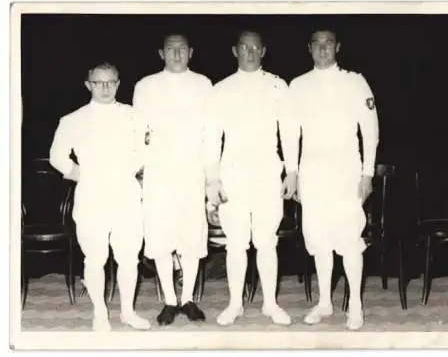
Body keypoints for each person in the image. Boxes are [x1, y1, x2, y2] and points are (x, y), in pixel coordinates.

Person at [203, 31, 299, 326]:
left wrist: (292, 171)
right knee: (236, 244)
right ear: (235, 51)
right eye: (244, 47)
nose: (250, 52)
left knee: (266, 242)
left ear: (263, 51)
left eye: (255, 47)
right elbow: (211, 138)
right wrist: (212, 179)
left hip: (267, 174)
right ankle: (235, 304)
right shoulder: (221, 89)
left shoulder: (277, 86)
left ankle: (270, 303)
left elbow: (290, 131)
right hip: (233, 176)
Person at [49, 62, 150, 331]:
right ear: (88, 85)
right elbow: (57, 157)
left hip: (126, 196)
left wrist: (134, 172)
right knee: (95, 258)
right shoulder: (73, 119)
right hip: (92, 197)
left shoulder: (134, 117)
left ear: (118, 83)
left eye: (110, 82)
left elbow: (146, 151)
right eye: (98, 83)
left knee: (129, 258)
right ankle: (100, 314)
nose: (105, 88)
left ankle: (128, 312)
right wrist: (85, 174)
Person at [289, 30, 379, 330]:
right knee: (318, 239)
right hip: (313, 172)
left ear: (338, 47)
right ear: (309, 48)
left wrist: (367, 173)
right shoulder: (298, 85)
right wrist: (294, 173)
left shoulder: (355, 82)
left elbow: (370, 131)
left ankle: (355, 306)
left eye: (329, 44)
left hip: (345, 172)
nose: (323, 49)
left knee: (349, 239)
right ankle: (325, 302)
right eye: (317, 44)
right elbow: (291, 134)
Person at [133, 34, 212, 326]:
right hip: (159, 173)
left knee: (191, 238)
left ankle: (188, 298)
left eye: (182, 49)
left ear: (191, 52)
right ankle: (168, 300)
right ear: (161, 53)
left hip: (192, 172)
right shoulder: (145, 86)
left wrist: (209, 175)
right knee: (161, 237)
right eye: (170, 49)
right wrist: (141, 171)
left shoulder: (204, 84)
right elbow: (139, 132)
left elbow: (210, 132)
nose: (177, 54)